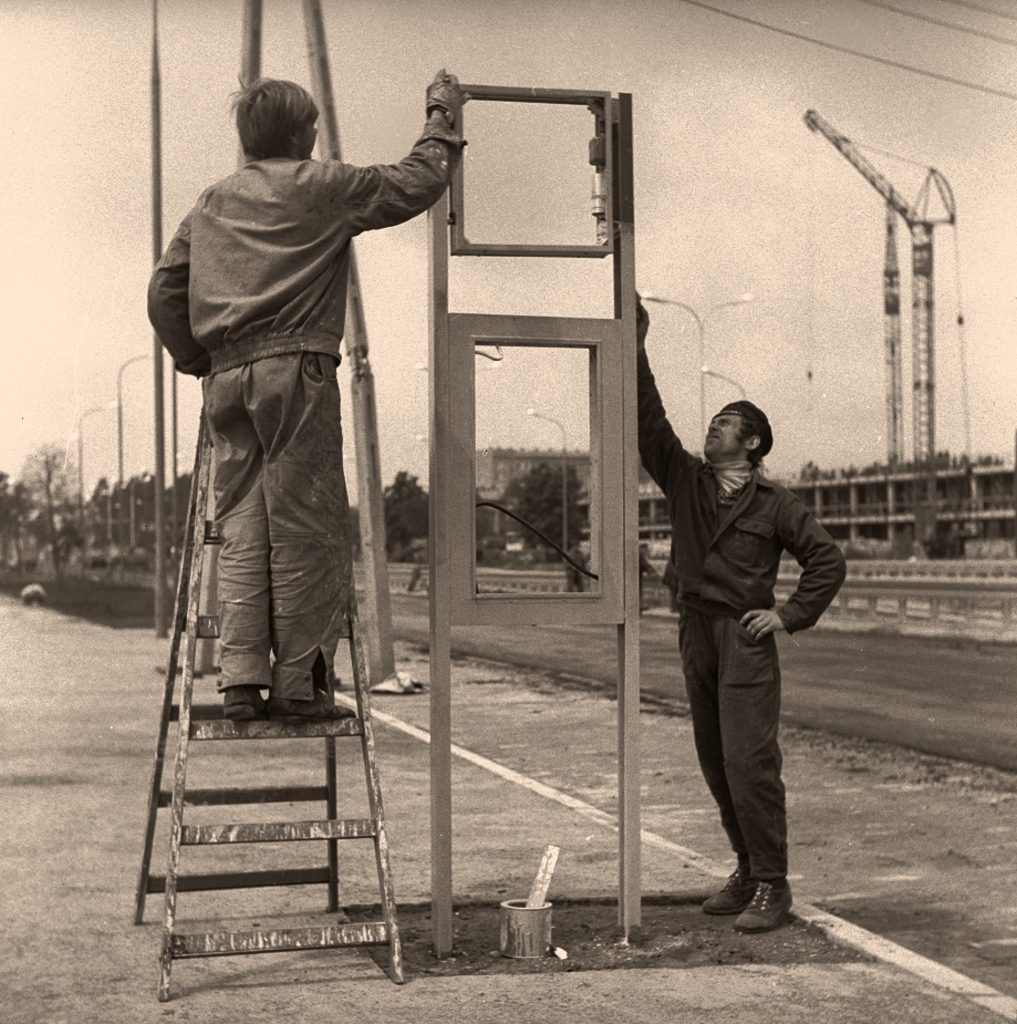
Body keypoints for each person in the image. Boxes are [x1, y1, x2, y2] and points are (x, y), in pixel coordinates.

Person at [149, 73, 465, 722]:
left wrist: (196, 358)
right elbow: (419, 180)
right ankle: (299, 686)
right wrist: (440, 114)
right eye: (313, 127)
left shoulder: (210, 203)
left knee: (241, 525)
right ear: (300, 133)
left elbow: (162, 291)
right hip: (294, 371)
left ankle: (239, 681)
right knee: (305, 527)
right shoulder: (321, 187)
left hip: (227, 380)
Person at [635, 296, 846, 932]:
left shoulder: (778, 504)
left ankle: (774, 884)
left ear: (751, 442)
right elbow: (649, 422)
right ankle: (747, 869)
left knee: (750, 761)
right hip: (695, 630)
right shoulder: (685, 479)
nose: (713, 429)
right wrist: (636, 341)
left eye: (726, 423)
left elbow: (827, 563)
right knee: (713, 757)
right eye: (714, 423)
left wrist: (786, 616)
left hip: (745, 638)